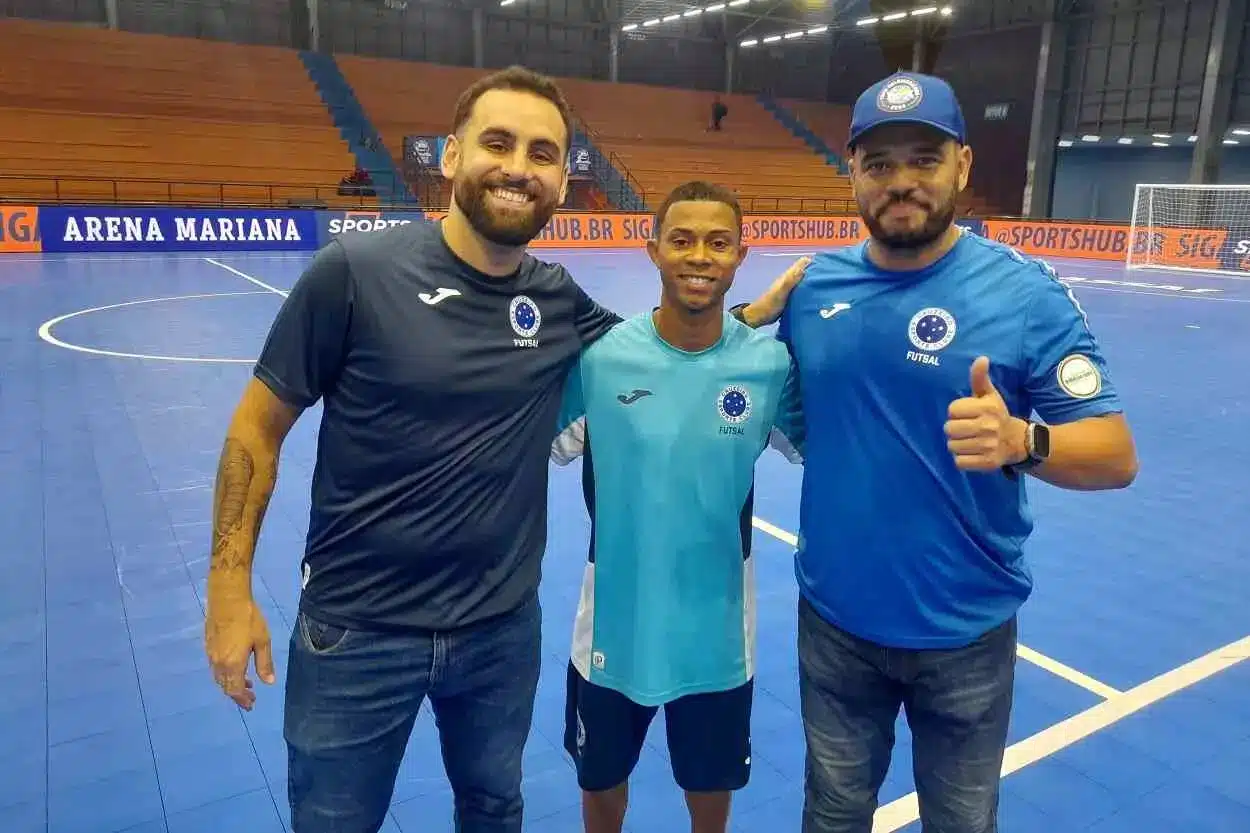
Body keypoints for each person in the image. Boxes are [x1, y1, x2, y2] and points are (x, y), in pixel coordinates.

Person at [202, 65, 806, 833]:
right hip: (357, 632)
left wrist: (746, 317)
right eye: (498, 142)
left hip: (498, 633)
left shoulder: (557, 300)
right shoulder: (355, 273)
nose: (519, 166)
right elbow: (256, 424)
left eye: (543, 152)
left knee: (493, 811)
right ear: (449, 155)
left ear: (561, 178)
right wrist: (228, 590)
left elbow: (664, 353)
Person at [771, 72, 1139, 833]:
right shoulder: (812, 290)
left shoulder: (1027, 294)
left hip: (966, 632)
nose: (901, 181)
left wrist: (1022, 440)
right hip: (837, 623)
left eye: (924, 159)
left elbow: (1114, 453)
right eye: (879, 164)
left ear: (962, 167)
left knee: (962, 822)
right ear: (853, 175)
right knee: (833, 813)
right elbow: (778, 407)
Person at [549, 180, 805, 833]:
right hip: (611, 631)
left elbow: (835, 447)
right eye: (682, 239)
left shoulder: (768, 367)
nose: (699, 256)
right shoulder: (601, 361)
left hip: (717, 638)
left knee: (709, 792)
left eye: (718, 242)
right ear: (653, 249)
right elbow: (526, 446)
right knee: (602, 783)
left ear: (741, 255)